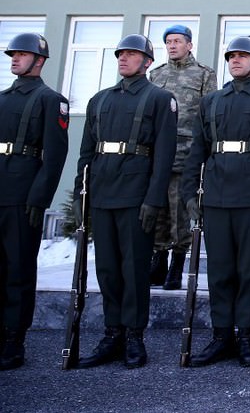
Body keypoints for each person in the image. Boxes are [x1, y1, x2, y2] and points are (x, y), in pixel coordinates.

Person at [181, 36, 250, 367]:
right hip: (216, 196)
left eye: (243, 56)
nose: (236, 61)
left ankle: (245, 336)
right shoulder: (211, 101)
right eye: (231, 56)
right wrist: (189, 193)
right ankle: (221, 336)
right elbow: (197, 150)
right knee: (219, 270)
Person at [73, 34, 177, 368]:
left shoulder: (160, 98)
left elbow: (164, 155)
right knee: (106, 268)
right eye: (121, 54)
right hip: (102, 191)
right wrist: (81, 194)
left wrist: (154, 199)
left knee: (134, 270)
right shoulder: (99, 100)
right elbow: (86, 152)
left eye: (132, 55)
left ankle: (134, 336)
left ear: (147, 62)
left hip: (136, 195)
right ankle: (112, 333)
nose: (124, 59)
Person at [0, 33, 69, 370]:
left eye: (22, 54)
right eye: (13, 54)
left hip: (22, 195)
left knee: (18, 271)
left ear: (39, 60)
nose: (14, 59)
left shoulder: (49, 99)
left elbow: (55, 156)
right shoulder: (1, 98)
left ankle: (14, 342)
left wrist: (39, 199)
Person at [147, 24, 216, 291]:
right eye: (169, 42)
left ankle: (177, 263)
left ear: (189, 45)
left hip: (186, 154)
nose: (173, 46)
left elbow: (209, 117)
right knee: (158, 209)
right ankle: (158, 260)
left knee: (179, 213)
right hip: (158, 155)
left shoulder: (203, 75)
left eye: (178, 41)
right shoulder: (157, 75)